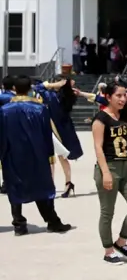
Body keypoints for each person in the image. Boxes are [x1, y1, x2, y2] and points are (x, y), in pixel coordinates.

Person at [0, 75, 72, 235]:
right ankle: (52, 221)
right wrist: (49, 154)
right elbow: (47, 134)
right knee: (44, 186)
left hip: (13, 154)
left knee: (15, 186)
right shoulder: (40, 109)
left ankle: (19, 224)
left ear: (14, 89)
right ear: (29, 89)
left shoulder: (4, 111)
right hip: (37, 153)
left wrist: (2, 154)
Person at [91, 82, 127, 264]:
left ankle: (121, 242)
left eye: (124, 95)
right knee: (107, 212)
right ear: (108, 97)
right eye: (118, 95)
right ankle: (108, 251)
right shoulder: (101, 119)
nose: (122, 99)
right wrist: (106, 173)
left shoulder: (126, 114)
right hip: (108, 167)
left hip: (126, 167)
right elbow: (98, 148)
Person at [33, 77, 84, 198]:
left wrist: (53, 84)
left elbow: (37, 87)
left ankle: (50, 185)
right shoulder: (64, 96)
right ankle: (68, 182)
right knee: (61, 157)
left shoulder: (52, 96)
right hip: (61, 129)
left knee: (51, 157)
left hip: (53, 129)